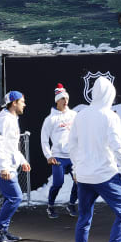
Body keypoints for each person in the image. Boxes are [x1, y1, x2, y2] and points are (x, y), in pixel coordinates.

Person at [67, 77, 121, 242]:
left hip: (84, 177)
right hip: (106, 175)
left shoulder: (80, 115)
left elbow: (72, 146)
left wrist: (76, 169)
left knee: (84, 218)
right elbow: (118, 146)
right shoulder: (110, 116)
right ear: (109, 94)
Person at [0, 91, 31, 242]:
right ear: (14, 103)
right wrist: (3, 168)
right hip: (2, 168)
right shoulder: (4, 120)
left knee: (10, 198)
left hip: (8, 166)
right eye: (22, 101)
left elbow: (12, 147)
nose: (24, 104)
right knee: (16, 197)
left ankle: (3, 231)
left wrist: (23, 160)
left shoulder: (12, 119)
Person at [41, 84, 78, 219]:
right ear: (57, 100)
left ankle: (72, 204)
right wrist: (48, 155)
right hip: (58, 156)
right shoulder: (50, 119)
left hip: (73, 156)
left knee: (79, 181)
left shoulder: (74, 115)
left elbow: (80, 133)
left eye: (66, 98)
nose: (65, 101)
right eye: (62, 98)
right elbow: (44, 139)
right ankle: (50, 206)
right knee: (58, 183)